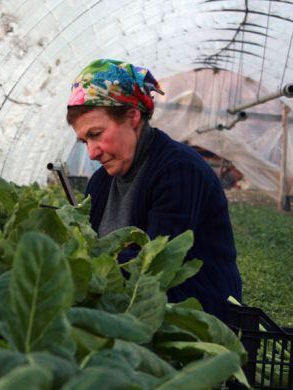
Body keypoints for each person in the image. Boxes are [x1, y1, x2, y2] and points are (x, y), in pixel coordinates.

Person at [65, 59, 242, 321]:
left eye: (97, 134)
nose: (92, 153)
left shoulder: (179, 171)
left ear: (132, 116)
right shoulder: (101, 182)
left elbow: (155, 267)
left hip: (193, 322)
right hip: (132, 315)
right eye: (84, 141)